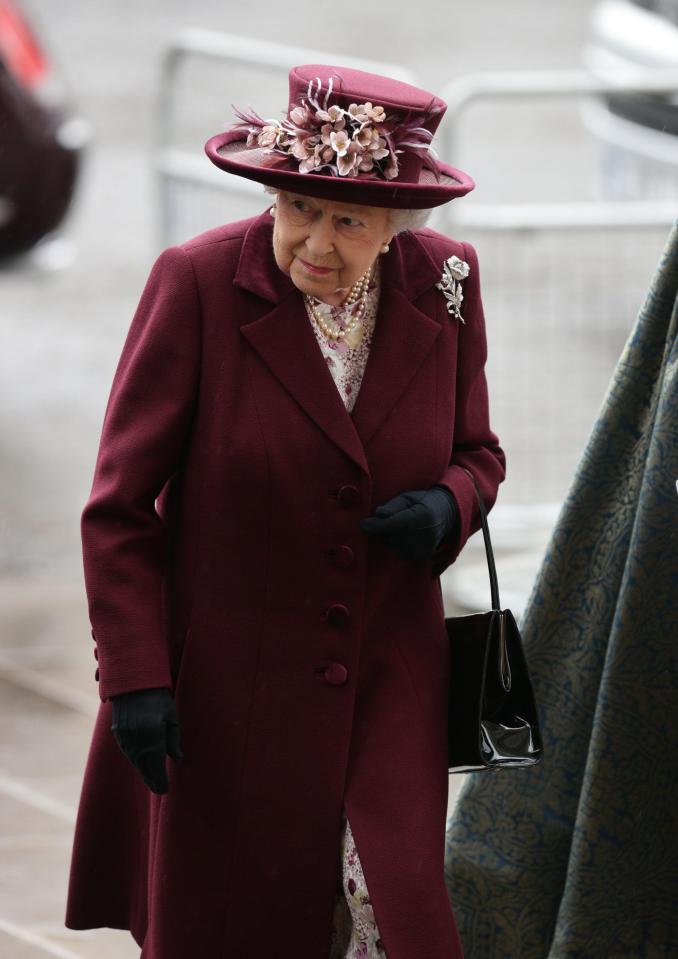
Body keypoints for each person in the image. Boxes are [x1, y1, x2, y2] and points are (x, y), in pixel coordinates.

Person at [64, 63, 506, 959]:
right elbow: (119, 506)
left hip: (390, 678)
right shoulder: (194, 284)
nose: (314, 240)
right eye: (296, 207)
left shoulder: (445, 282)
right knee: (239, 926)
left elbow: (479, 453)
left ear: (398, 225)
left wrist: (448, 504)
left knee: (392, 913)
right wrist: (136, 679)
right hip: (230, 697)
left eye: (347, 219)